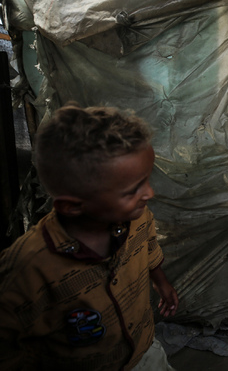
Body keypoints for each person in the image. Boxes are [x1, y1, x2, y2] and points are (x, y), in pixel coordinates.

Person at [0, 104, 179, 370]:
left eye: (147, 180)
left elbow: (149, 246)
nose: (149, 193)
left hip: (144, 352)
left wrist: (160, 281)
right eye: (133, 189)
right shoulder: (27, 268)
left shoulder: (138, 218)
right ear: (72, 206)